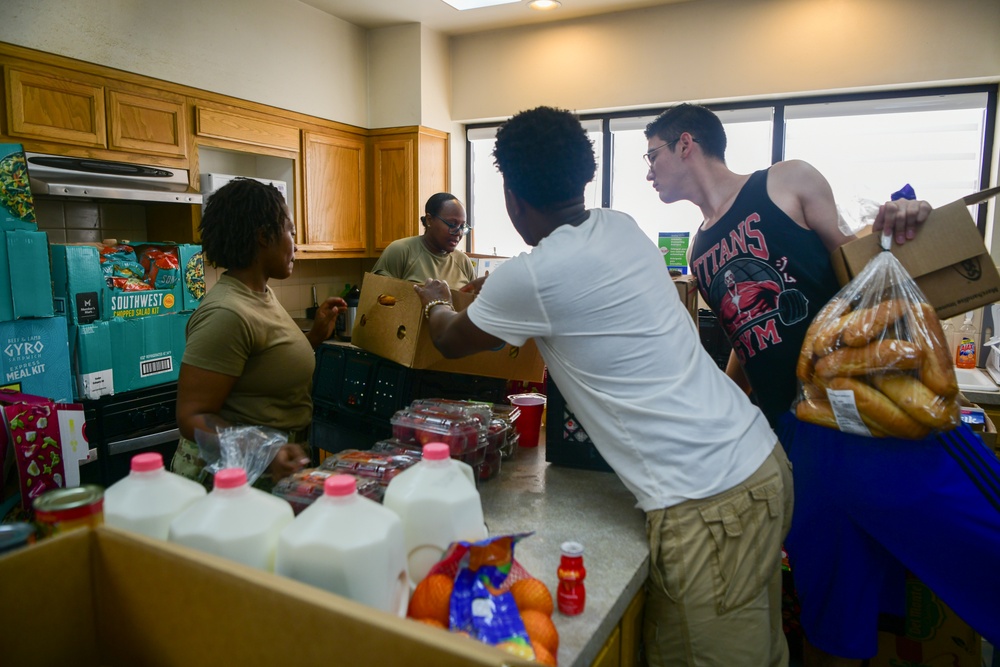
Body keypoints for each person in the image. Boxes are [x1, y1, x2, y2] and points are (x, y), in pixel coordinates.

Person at [414, 106, 794, 667]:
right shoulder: (620, 226)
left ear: (512, 196)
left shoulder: (532, 276)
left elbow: (449, 339)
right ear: (584, 176)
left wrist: (436, 301)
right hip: (759, 464)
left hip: (708, 505)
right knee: (758, 651)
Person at [644, 103, 1000, 666]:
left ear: (686, 144)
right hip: (798, 441)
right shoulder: (698, 249)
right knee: (830, 612)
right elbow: (747, 334)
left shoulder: (785, 181)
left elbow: (859, 258)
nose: (648, 171)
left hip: (873, 414)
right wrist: (725, 402)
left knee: (982, 547)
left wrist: (904, 217)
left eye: (652, 155)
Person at [172, 177, 347, 489]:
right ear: (265, 236)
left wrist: (314, 338)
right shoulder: (226, 312)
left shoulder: (259, 294)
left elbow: (262, 366)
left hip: (268, 469)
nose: (296, 243)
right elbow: (192, 416)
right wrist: (265, 450)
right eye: (290, 231)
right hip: (231, 480)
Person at [371, 192, 484, 292]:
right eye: (452, 224)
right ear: (430, 220)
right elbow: (377, 300)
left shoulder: (463, 262)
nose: (459, 233)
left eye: (462, 226)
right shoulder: (401, 251)